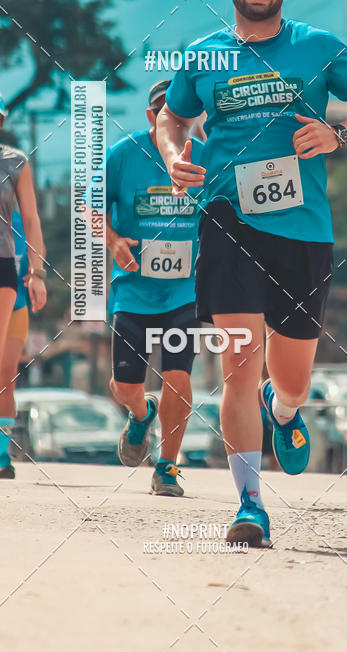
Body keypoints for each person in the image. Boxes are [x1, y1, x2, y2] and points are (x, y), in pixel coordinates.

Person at [156, 0, 347, 545]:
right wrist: (175, 155)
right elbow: (173, 117)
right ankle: (250, 504)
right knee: (238, 366)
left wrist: (338, 135)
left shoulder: (318, 48)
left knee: (291, 378)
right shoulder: (203, 56)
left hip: (302, 230)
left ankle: (282, 410)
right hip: (226, 221)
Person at [103, 80, 205, 496]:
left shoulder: (207, 156)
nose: (180, 122)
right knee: (125, 385)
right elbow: (90, 207)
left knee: (177, 377)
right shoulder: (123, 155)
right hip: (134, 291)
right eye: (169, 113)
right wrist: (112, 241)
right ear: (153, 117)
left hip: (186, 291)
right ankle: (141, 414)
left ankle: (167, 466)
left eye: (187, 113)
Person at [0, 95, 47, 478]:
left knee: (5, 372)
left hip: (5, 270)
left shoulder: (15, 162)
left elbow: (31, 221)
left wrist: (37, 273)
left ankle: (1, 453)